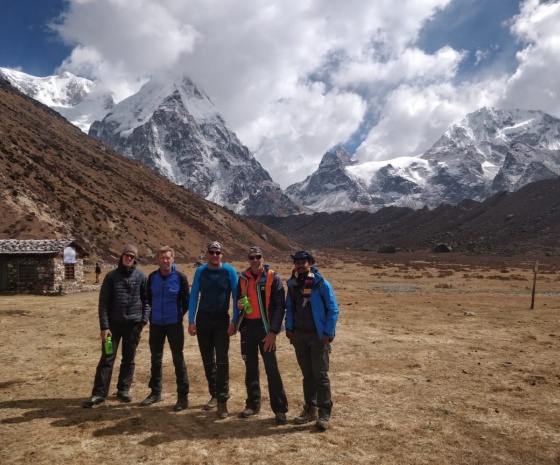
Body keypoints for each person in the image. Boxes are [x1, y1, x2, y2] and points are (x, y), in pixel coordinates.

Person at [83, 245, 150, 408]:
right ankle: (99, 393)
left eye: (132, 257)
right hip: (113, 326)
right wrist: (104, 327)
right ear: (121, 257)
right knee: (107, 358)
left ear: (135, 259)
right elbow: (103, 303)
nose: (129, 258)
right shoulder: (111, 277)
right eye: (126, 255)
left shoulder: (141, 277)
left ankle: (123, 389)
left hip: (133, 325)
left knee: (129, 358)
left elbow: (147, 300)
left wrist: (143, 321)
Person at [285, 250, 339, 431]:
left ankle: (324, 412)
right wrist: (290, 330)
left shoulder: (321, 283)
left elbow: (333, 310)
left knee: (321, 375)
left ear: (310, 263)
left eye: (303, 262)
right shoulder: (292, 285)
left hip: (318, 337)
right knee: (307, 375)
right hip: (300, 336)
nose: (300, 265)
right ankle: (310, 409)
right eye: (297, 262)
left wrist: (328, 333)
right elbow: (290, 308)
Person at [235, 246, 288, 425]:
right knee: (250, 368)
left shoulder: (273, 277)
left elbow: (280, 306)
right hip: (248, 327)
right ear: (248, 260)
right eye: (252, 257)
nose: (255, 260)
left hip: (266, 329)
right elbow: (238, 300)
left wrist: (273, 332)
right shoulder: (242, 278)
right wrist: (239, 306)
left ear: (263, 259)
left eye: (258, 256)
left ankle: (280, 409)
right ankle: (252, 404)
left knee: (271, 368)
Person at [188, 241, 239, 419]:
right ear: (207, 253)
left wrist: (234, 321)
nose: (215, 255)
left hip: (221, 321)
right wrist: (191, 321)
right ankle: (215, 394)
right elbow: (194, 295)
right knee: (208, 360)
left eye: (218, 253)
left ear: (222, 254)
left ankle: (223, 401)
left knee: (222, 361)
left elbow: (236, 296)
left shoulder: (229, 272)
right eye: (212, 252)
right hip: (203, 319)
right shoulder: (200, 271)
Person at [140, 246, 190, 411]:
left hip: (174, 324)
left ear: (173, 259)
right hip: (156, 324)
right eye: (162, 258)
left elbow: (186, 302)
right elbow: (148, 298)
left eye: (168, 258)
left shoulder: (180, 278)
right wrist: (152, 316)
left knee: (178, 359)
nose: (165, 261)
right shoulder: (152, 277)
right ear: (158, 260)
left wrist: (177, 314)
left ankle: (182, 397)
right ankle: (155, 393)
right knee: (155, 359)